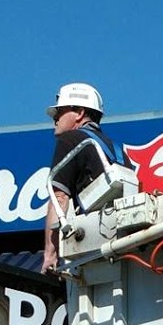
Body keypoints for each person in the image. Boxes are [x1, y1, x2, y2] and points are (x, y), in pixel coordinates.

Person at [41, 82, 133, 274]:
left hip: (95, 240)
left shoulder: (70, 140)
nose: (55, 118)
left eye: (60, 112)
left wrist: (50, 254)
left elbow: (59, 198)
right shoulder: (118, 150)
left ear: (79, 113)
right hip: (125, 241)